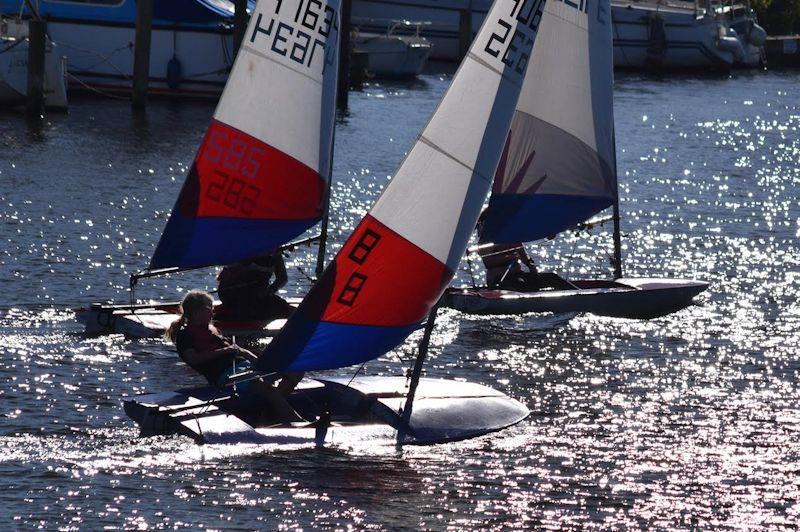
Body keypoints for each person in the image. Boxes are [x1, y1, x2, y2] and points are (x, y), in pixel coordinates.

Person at [165, 290, 304, 423]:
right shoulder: (184, 335)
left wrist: (263, 363)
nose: (212, 311)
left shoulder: (213, 330)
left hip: (245, 367)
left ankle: (269, 412)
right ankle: (295, 419)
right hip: (225, 376)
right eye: (209, 308)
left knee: (295, 370)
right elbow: (193, 359)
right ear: (197, 311)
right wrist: (224, 351)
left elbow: (240, 351)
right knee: (263, 386)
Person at [216, 250, 292, 321]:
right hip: (234, 293)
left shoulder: (275, 254)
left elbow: (282, 278)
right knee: (247, 306)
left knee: (284, 309)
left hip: (259, 295)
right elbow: (227, 276)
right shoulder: (246, 249)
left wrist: (271, 290)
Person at [478, 242, 575, 292]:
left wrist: (530, 264)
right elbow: (488, 262)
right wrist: (509, 257)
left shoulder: (511, 235)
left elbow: (524, 256)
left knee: (552, 277)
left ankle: (580, 295)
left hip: (518, 275)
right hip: (498, 280)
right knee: (520, 284)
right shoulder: (487, 240)